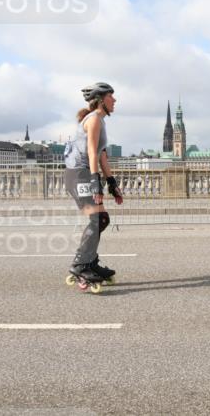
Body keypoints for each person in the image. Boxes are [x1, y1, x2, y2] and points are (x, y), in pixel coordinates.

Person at [64, 82, 123, 284]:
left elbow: (102, 155)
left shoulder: (100, 120)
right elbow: (91, 151)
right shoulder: (95, 119)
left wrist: (112, 182)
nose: (114, 100)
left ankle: (89, 262)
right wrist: (95, 182)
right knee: (98, 220)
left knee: (101, 219)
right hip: (79, 174)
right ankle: (81, 264)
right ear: (100, 100)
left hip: (83, 173)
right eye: (111, 96)